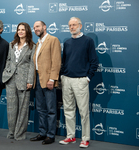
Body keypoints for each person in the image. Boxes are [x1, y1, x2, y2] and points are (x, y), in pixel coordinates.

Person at [59, 17, 98, 148]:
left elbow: (94, 61)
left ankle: (85, 138)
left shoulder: (88, 41)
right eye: (70, 25)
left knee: (83, 111)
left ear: (80, 26)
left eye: (74, 25)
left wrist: (88, 78)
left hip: (81, 80)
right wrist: (62, 76)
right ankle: (70, 136)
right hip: (67, 80)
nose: (72, 27)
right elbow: (64, 61)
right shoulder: (67, 42)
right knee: (68, 110)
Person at [2, 22, 35, 140]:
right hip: (10, 79)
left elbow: (32, 64)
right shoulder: (12, 44)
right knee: (11, 108)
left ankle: (19, 134)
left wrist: (30, 81)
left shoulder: (32, 46)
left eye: (23, 29)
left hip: (24, 81)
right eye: (19, 29)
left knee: (23, 109)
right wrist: (6, 72)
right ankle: (11, 132)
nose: (20, 31)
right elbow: (8, 60)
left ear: (27, 32)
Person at [30, 21, 61, 145]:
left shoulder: (53, 40)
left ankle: (50, 135)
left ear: (44, 27)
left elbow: (57, 60)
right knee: (41, 109)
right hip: (37, 79)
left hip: (48, 80)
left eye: (37, 26)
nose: (35, 29)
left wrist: (52, 79)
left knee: (51, 109)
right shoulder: (38, 43)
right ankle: (42, 133)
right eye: (34, 28)